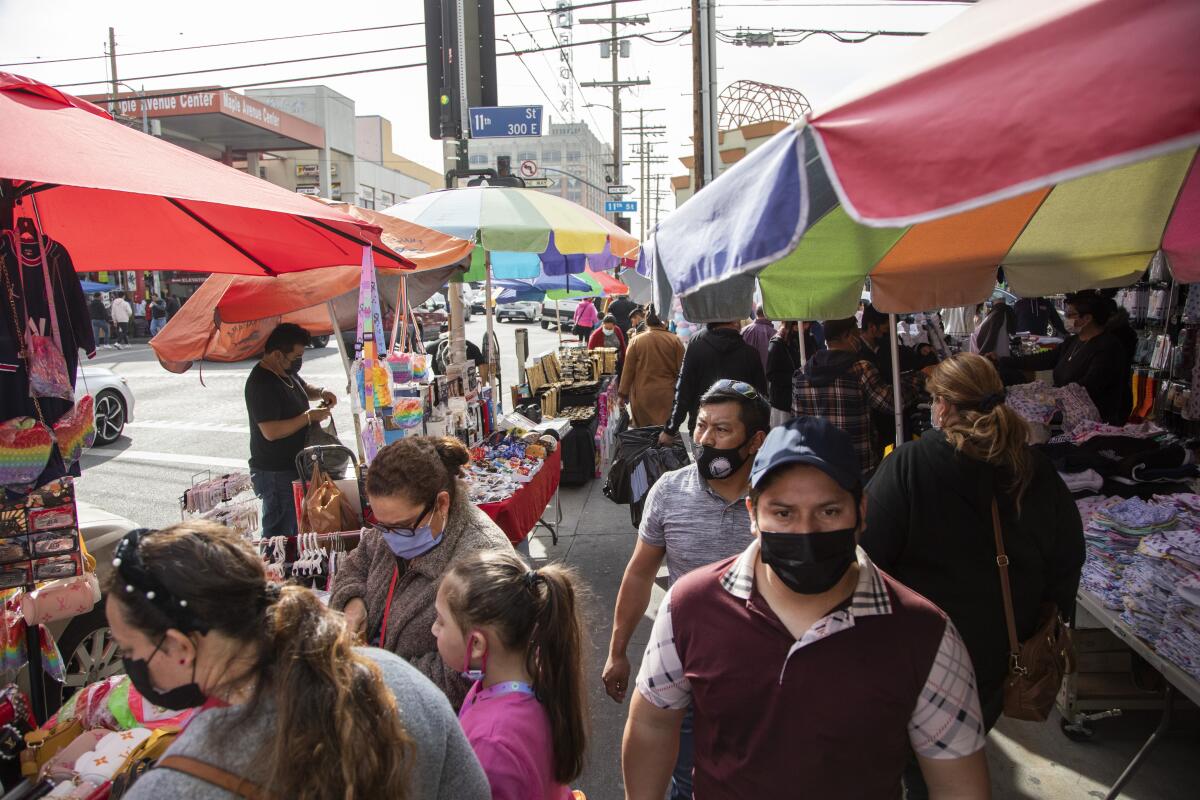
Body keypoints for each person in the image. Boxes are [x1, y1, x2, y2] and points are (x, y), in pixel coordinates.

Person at [621, 417, 990, 799]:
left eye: (829, 512)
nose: (805, 531)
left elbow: (958, 782)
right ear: (752, 514)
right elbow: (653, 725)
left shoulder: (925, 634)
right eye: (783, 513)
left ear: (861, 512)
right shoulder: (690, 608)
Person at [105, 522, 490, 800]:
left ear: (179, 646)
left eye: (130, 650)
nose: (130, 664)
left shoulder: (175, 786)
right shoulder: (398, 680)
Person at [863, 354, 1084, 797]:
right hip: (1002, 651)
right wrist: (1040, 619)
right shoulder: (1034, 469)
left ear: (942, 407)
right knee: (959, 746)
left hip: (920, 651)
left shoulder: (909, 466)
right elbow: (1067, 558)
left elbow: (866, 560)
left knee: (919, 761)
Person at [604, 381, 770, 800]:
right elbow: (640, 573)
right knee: (689, 783)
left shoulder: (777, 498)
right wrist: (618, 651)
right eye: (700, 427)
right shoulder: (669, 491)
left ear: (756, 441)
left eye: (721, 430)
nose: (705, 440)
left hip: (762, 675)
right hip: (685, 665)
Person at [330, 436, 512, 708]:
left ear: (442, 504)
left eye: (401, 527)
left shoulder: (481, 561)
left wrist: (369, 677)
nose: (389, 537)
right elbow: (357, 563)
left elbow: (463, 677)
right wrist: (351, 603)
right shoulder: (395, 523)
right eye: (381, 524)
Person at [434, 550, 587, 800]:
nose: (434, 628)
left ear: (476, 645)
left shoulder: (492, 746)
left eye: (441, 621)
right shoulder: (537, 673)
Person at [792, 317, 922, 478]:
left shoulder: (802, 373)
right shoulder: (861, 369)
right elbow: (890, 402)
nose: (859, 337)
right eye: (856, 332)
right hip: (857, 462)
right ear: (847, 335)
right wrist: (918, 379)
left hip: (819, 462)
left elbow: (798, 421)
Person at [244, 323, 336, 538]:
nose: (299, 361)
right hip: (275, 473)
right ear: (277, 354)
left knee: (295, 527)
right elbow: (271, 431)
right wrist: (309, 417)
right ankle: (274, 571)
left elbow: (303, 388)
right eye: (296, 356)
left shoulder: (284, 371)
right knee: (279, 535)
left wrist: (322, 392)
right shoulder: (261, 383)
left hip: (294, 465)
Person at [998, 291, 1132, 425]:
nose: (1066, 318)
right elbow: (1044, 359)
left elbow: (1089, 387)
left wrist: (1049, 397)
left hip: (1093, 419)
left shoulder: (1109, 347)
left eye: (1070, 315)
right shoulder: (1072, 342)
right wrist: (1001, 360)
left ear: (1087, 319)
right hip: (1064, 408)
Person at [658, 321, 767, 446]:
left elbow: (683, 393)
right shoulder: (751, 354)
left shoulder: (695, 350)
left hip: (703, 431)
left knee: (702, 465)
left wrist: (670, 430)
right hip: (740, 434)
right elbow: (761, 398)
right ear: (736, 322)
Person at [619, 308, 684, 429]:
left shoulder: (636, 340)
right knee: (663, 432)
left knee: (643, 434)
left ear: (646, 321)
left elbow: (628, 371)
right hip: (666, 394)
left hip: (642, 395)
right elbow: (682, 370)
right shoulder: (675, 340)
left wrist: (622, 394)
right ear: (663, 321)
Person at [766, 321, 801, 427]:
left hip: (792, 399)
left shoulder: (793, 341)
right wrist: (794, 378)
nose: (805, 327)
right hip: (781, 402)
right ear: (792, 326)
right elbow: (771, 374)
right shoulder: (777, 344)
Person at [740, 305, 775, 371]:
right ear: (769, 314)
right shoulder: (774, 334)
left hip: (745, 375)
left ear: (756, 314)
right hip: (766, 376)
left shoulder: (743, 331)